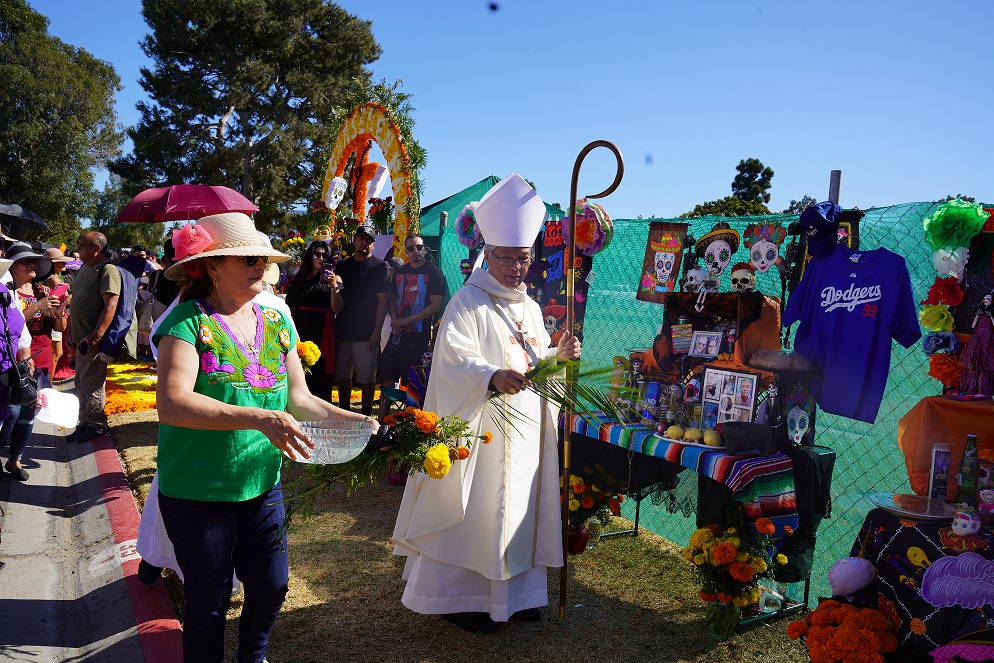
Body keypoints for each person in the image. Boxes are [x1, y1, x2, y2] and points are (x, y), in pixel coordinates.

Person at [153, 212, 373, 663]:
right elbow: (172, 403)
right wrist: (257, 418)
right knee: (208, 602)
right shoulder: (188, 323)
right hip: (198, 490)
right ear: (212, 266)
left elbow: (300, 398)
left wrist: (355, 420)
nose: (261, 267)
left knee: (272, 584)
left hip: (261, 484)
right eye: (249, 259)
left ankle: (252, 656)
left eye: (264, 260)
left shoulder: (276, 322)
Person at [392, 174, 581, 634]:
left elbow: (534, 363)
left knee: (518, 508)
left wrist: (560, 356)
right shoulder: (467, 302)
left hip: (525, 430)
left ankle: (519, 596)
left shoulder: (531, 307)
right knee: (480, 509)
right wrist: (490, 376)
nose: (517, 268)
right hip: (483, 427)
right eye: (508, 258)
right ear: (488, 255)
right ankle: (466, 599)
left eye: (524, 259)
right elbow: (455, 359)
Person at [378, 234, 446, 418]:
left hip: (418, 337)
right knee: (387, 375)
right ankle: (382, 422)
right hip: (397, 334)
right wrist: (394, 318)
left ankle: (410, 424)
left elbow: (436, 305)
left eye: (419, 247)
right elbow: (392, 299)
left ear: (424, 248)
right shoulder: (400, 272)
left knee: (413, 382)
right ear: (406, 251)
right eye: (411, 248)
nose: (415, 251)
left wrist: (407, 320)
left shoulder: (434, 273)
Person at [67, 232, 120, 443]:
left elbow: (111, 305)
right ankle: (84, 423)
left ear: (96, 248)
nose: (78, 248)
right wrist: (72, 330)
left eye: (82, 245)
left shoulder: (108, 270)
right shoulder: (86, 268)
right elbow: (78, 301)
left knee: (91, 384)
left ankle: (96, 425)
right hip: (81, 339)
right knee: (80, 382)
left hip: (92, 341)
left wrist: (95, 337)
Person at [331, 227, 389, 415]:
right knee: (343, 376)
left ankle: (365, 416)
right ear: (354, 241)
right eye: (360, 239)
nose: (364, 243)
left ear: (373, 244)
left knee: (367, 378)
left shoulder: (380, 266)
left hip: (366, 334)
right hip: (343, 331)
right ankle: (345, 413)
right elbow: (336, 300)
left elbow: (382, 302)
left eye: (368, 240)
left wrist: (376, 332)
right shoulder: (342, 266)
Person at [286, 240, 342, 402]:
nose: (321, 257)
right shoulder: (299, 278)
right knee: (301, 366)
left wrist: (334, 286)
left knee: (321, 370)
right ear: (310, 256)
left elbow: (338, 308)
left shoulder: (336, 278)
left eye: (325, 255)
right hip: (302, 326)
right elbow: (291, 305)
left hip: (324, 327)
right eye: (317, 254)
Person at [0, 256, 35, 482]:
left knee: (20, 410)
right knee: (11, 412)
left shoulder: (5, 290)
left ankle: (14, 458)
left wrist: (25, 354)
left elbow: (17, 325)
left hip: (7, 366)